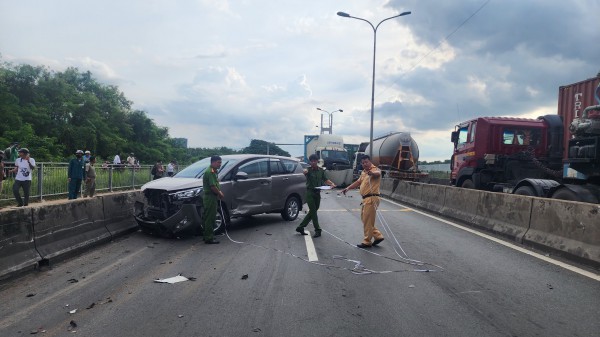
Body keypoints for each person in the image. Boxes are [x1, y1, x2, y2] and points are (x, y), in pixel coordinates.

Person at [342, 155, 384, 248]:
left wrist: (372, 173)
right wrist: (348, 188)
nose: (365, 164)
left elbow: (378, 173)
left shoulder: (375, 169)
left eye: (366, 162)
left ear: (370, 162)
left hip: (372, 198)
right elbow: (358, 182)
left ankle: (367, 241)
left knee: (367, 220)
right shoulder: (364, 173)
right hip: (365, 199)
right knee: (365, 219)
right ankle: (377, 235)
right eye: (363, 163)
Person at [295, 154, 336, 238]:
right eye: (311, 161)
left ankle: (300, 227)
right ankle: (318, 230)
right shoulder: (308, 170)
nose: (313, 162)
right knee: (313, 211)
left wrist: (332, 184)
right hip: (310, 192)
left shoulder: (321, 170)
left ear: (317, 161)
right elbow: (305, 171)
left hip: (317, 193)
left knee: (314, 210)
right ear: (310, 161)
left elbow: (325, 179)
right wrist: (305, 171)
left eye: (315, 160)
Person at [202, 155, 224, 244]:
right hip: (210, 196)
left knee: (208, 217)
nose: (220, 164)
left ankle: (206, 235)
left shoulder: (213, 171)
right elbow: (212, 187)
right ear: (213, 162)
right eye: (219, 162)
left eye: (220, 162)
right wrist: (220, 193)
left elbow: (215, 182)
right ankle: (209, 238)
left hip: (210, 197)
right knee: (210, 218)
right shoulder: (210, 172)